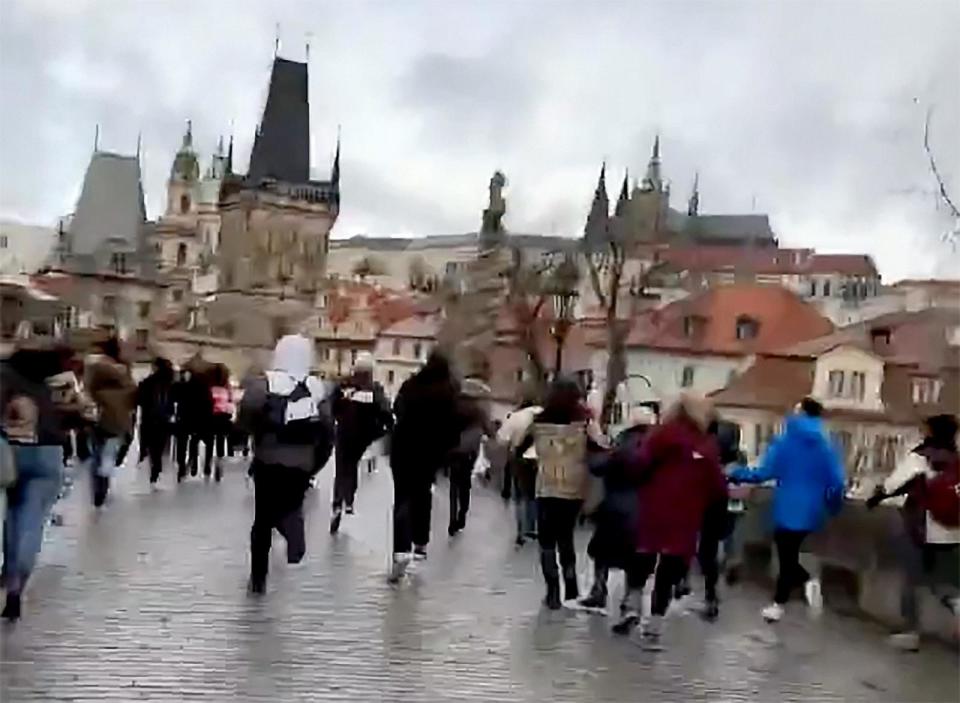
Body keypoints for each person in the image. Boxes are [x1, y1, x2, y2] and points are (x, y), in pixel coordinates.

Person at [613, 393, 727, 649]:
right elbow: (717, 486)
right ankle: (653, 627)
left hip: (654, 507)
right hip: (686, 516)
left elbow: (639, 464)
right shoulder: (706, 445)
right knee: (669, 570)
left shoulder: (661, 435)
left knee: (642, 556)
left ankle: (631, 602)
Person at [729, 397, 845, 623]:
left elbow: (763, 473)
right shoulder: (828, 443)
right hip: (813, 509)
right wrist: (833, 506)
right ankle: (802, 585)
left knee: (786, 556)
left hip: (788, 507)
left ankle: (784, 600)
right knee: (789, 554)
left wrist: (737, 473)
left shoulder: (786, 441)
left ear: (800, 414)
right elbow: (837, 481)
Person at [237, 334, 334, 595]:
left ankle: (258, 577)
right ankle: (293, 532)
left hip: (268, 459)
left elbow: (246, 414)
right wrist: (315, 463)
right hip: (301, 463)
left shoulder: (265, 384)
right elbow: (327, 432)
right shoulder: (318, 389)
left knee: (263, 519)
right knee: (291, 505)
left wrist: (250, 438)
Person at [866, 413, 960, 651]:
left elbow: (893, 484)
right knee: (942, 581)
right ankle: (958, 608)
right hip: (951, 531)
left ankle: (910, 632)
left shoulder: (921, 457)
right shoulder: (956, 459)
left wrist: (876, 497)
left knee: (913, 579)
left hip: (922, 529)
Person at [1, 342, 77, 620]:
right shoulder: (55, 383)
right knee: (32, 521)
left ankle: (8, 573)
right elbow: (78, 414)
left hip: (8, 452)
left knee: (10, 515)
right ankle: (17, 585)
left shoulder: (4, 375)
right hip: (48, 453)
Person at [520, 377, 604, 610]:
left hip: (546, 485)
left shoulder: (539, 421)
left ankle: (553, 592)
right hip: (574, 487)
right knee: (566, 538)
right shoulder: (585, 422)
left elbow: (519, 447)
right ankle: (571, 587)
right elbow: (601, 447)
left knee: (546, 541)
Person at [388, 351, 461, 582]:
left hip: (403, 449)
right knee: (422, 496)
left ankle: (400, 549)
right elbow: (453, 426)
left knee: (402, 497)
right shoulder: (448, 393)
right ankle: (420, 543)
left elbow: (397, 409)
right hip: (429, 454)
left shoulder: (412, 385)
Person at [579, 405, 655, 612]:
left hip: (616, 510)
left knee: (601, 552)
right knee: (638, 559)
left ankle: (599, 590)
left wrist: (596, 445)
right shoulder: (658, 448)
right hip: (648, 512)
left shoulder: (624, 442)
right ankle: (630, 601)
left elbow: (598, 466)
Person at [329, 352, 393, 533]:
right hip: (363, 436)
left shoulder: (343, 386)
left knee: (342, 469)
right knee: (352, 467)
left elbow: (332, 406)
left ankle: (337, 504)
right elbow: (385, 412)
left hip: (343, 432)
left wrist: (339, 416)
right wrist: (384, 430)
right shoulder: (374, 389)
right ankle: (348, 501)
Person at [84, 337, 136, 507]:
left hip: (96, 420)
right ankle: (103, 483)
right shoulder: (125, 376)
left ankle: (97, 486)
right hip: (118, 422)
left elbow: (86, 390)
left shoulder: (95, 372)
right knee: (108, 454)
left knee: (96, 454)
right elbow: (133, 398)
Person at [447, 378, 494, 536]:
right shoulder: (478, 411)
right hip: (469, 452)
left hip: (453, 450)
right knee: (465, 484)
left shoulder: (453, 407)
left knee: (453, 486)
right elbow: (489, 430)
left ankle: (452, 518)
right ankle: (462, 515)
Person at [497, 397, 542, 546]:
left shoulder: (515, 417)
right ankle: (533, 527)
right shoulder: (544, 413)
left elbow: (502, 439)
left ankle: (521, 531)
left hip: (521, 459)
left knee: (520, 495)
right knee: (536, 494)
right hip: (542, 459)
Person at [136, 357, 175, 486]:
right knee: (159, 446)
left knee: (151, 445)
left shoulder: (147, 382)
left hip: (149, 418)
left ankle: (150, 463)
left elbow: (139, 400)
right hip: (165, 419)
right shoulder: (171, 383)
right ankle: (156, 470)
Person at [208, 364, 235, 482]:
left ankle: (207, 466)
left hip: (211, 417)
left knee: (209, 442)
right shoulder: (227, 389)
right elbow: (230, 403)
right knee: (220, 443)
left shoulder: (208, 388)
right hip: (223, 417)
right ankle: (219, 466)